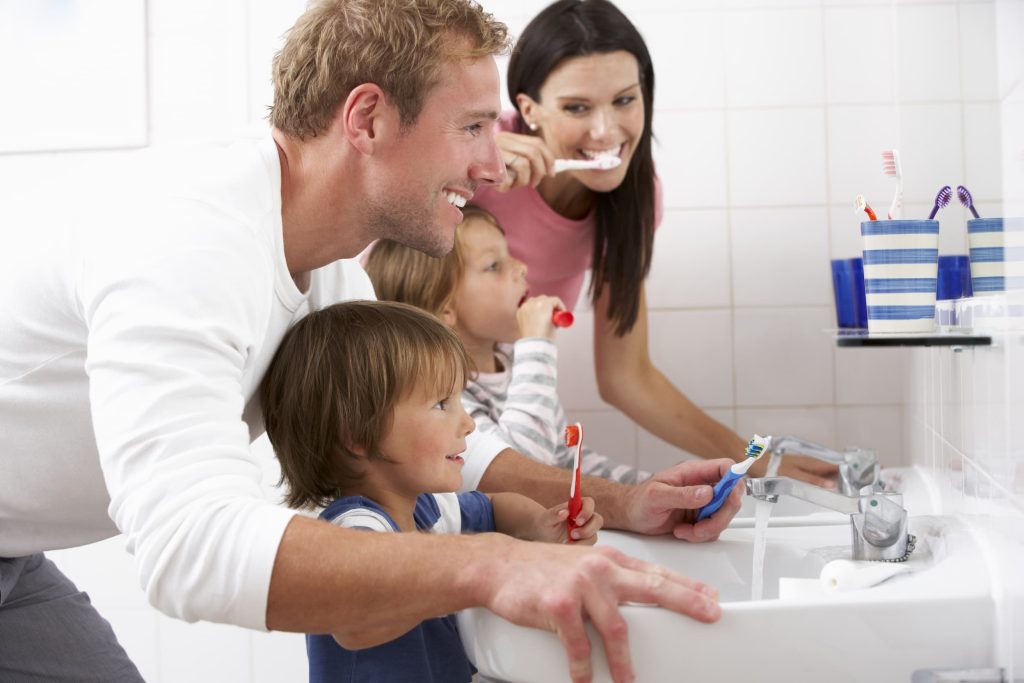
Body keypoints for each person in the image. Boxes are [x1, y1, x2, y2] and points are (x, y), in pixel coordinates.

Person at [0, 1, 738, 682]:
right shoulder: (189, 241)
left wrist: (628, 500)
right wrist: (490, 565)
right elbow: (189, 546)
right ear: (368, 119)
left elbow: (448, 441)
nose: (492, 167)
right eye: (472, 127)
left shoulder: (323, 269)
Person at [473, 0, 838, 487]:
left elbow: (627, 376)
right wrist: (461, 167)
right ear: (528, 110)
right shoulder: (476, 151)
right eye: (577, 107)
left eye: (625, 99)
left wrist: (755, 461)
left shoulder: (636, 198)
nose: (606, 131)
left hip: (502, 404)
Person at [261, 300, 603, 682]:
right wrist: (479, 580)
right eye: (442, 404)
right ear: (360, 433)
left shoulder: (428, 510)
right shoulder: (355, 528)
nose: (469, 424)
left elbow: (492, 508)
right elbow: (355, 621)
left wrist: (539, 524)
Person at [366, 205, 650, 484]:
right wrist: (536, 345)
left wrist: (649, 487)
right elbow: (525, 471)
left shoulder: (513, 363)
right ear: (446, 309)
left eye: (510, 255)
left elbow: (566, 459)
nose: (521, 268)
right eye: (494, 265)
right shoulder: (443, 394)